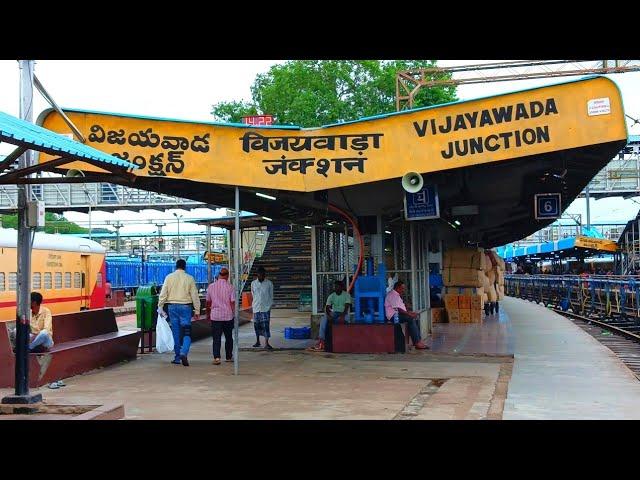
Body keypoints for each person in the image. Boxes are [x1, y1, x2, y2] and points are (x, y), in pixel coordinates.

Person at [158, 259, 201, 366]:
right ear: (185, 267)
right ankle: (184, 352)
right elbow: (195, 296)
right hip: (186, 307)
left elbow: (163, 293)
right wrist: (197, 310)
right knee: (187, 331)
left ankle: (177, 357)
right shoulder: (190, 278)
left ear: (176, 267)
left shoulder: (169, 277)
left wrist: (160, 306)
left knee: (176, 332)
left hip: (172, 307)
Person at [309, 280, 351, 352]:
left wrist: (342, 316)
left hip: (343, 313)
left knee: (346, 320)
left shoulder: (346, 295)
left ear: (341, 287)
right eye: (335, 286)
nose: (336, 288)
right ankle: (321, 340)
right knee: (324, 319)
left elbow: (347, 307)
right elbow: (327, 307)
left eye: (338, 286)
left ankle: (343, 341)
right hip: (334, 312)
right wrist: (328, 315)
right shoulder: (331, 296)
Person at [384, 280, 428, 350]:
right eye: (402, 288)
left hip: (398, 314)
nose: (403, 290)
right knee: (410, 319)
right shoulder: (393, 295)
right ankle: (417, 343)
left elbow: (402, 308)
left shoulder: (397, 295)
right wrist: (409, 314)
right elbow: (399, 309)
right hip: (393, 316)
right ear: (397, 288)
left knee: (415, 318)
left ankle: (418, 341)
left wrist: (410, 313)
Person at [206, 267, 236, 365]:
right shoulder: (230, 287)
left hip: (215, 316)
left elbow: (208, 302)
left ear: (219, 275)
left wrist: (207, 314)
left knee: (216, 338)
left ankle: (217, 358)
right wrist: (234, 313)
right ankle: (228, 356)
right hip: (228, 316)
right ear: (227, 276)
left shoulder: (211, 287)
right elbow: (232, 303)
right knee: (228, 337)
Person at [251, 266, 274, 350]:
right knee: (256, 325)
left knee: (266, 325)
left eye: (262, 274)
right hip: (256, 307)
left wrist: (269, 306)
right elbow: (253, 294)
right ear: (257, 275)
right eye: (259, 274)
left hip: (265, 308)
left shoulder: (269, 283)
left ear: (264, 274)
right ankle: (257, 341)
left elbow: (271, 296)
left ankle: (266, 343)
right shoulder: (253, 283)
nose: (261, 276)